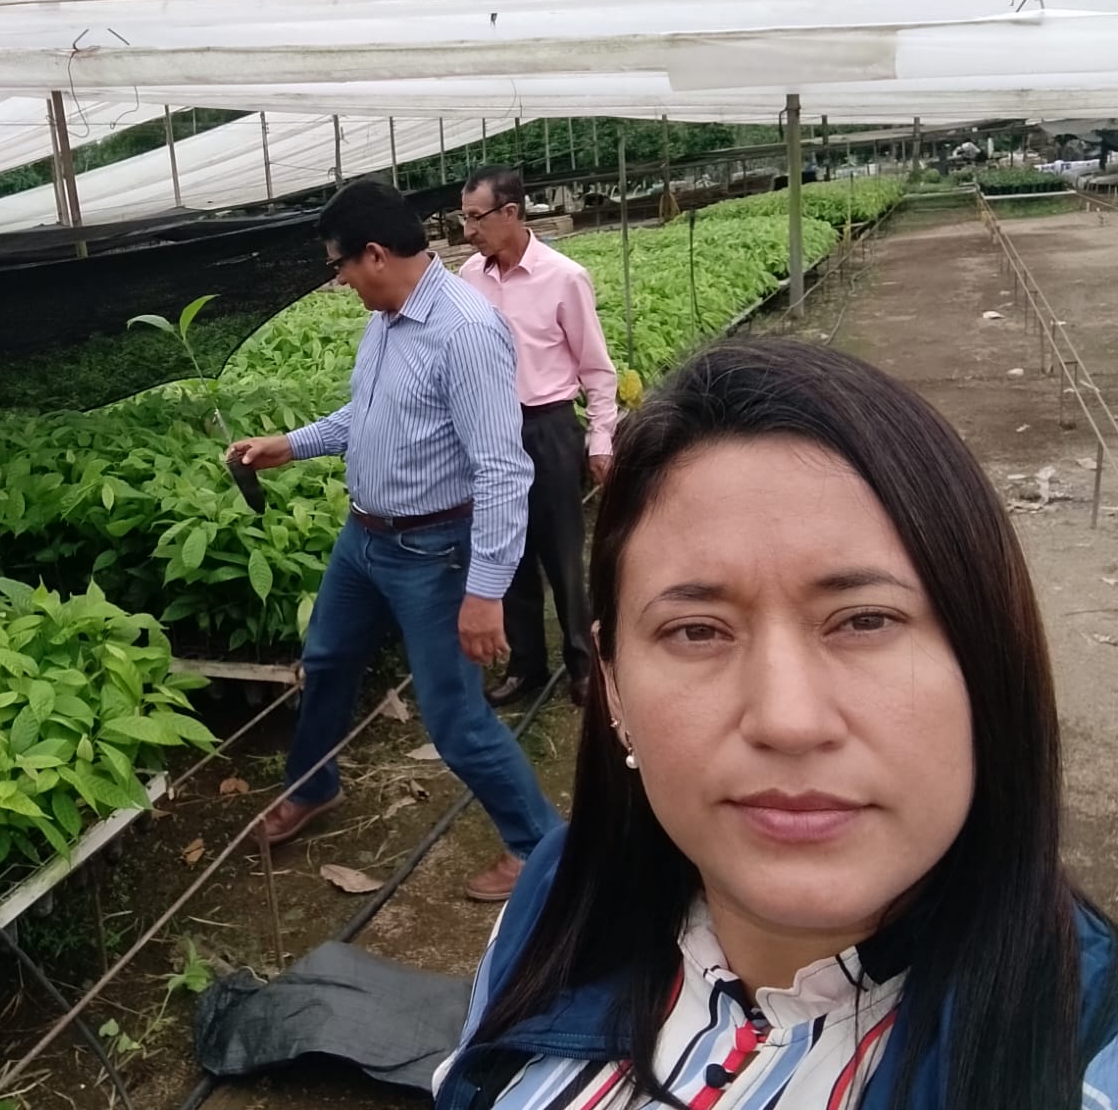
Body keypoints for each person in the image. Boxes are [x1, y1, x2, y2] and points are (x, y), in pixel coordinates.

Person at [434, 338, 1118, 1109]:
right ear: (615, 687)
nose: (787, 721)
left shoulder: (1086, 1066)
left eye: (865, 620)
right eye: (697, 631)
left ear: (991, 653)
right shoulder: (557, 897)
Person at [228, 180, 561, 902]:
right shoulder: (387, 317)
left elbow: (502, 468)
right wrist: (293, 443)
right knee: (326, 659)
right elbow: (371, 412)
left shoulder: (464, 331)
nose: (340, 279)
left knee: (454, 718)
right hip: (365, 539)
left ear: (375, 255)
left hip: (435, 552)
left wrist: (485, 593)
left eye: (340, 265)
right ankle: (313, 785)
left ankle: (539, 848)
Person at [458, 166, 617, 709]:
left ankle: (584, 664)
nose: (468, 231)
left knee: (561, 551)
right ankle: (526, 665)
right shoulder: (469, 277)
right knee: (509, 550)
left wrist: (601, 438)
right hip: (491, 429)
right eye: (463, 218)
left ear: (510, 212)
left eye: (476, 218)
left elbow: (595, 367)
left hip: (547, 425)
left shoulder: (563, 277)